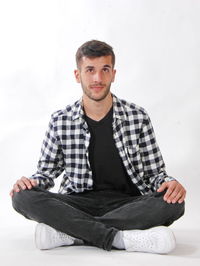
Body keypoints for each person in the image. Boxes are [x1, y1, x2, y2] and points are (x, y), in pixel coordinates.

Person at [10, 40, 186, 254]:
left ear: (113, 74)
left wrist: (170, 183)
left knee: (174, 203)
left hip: (128, 204)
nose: (97, 78)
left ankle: (72, 233)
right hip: (77, 202)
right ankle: (120, 239)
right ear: (78, 75)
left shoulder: (137, 116)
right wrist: (30, 183)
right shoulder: (60, 120)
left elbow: (154, 173)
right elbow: (46, 173)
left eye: (105, 70)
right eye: (90, 70)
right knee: (22, 197)